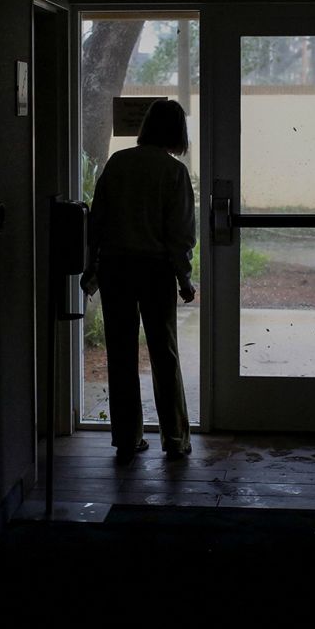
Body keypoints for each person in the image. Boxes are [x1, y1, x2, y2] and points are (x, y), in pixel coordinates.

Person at [81, 100, 196, 461]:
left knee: (121, 353)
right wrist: (184, 279)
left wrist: (91, 268)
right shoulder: (173, 172)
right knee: (164, 353)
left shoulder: (118, 163)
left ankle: (127, 438)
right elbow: (179, 236)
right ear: (178, 132)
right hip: (155, 270)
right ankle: (175, 438)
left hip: (116, 268)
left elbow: (96, 221)